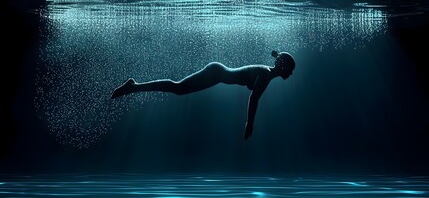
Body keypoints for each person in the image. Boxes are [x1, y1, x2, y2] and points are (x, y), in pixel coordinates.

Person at [111, 50, 295, 140]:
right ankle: (133, 86)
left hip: (216, 73)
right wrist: (250, 123)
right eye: (290, 69)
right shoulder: (265, 75)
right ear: (283, 66)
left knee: (178, 89)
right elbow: (253, 98)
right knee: (178, 88)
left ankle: (133, 87)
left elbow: (250, 90)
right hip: (215, 74)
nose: (291, 74)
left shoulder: (266, 73)